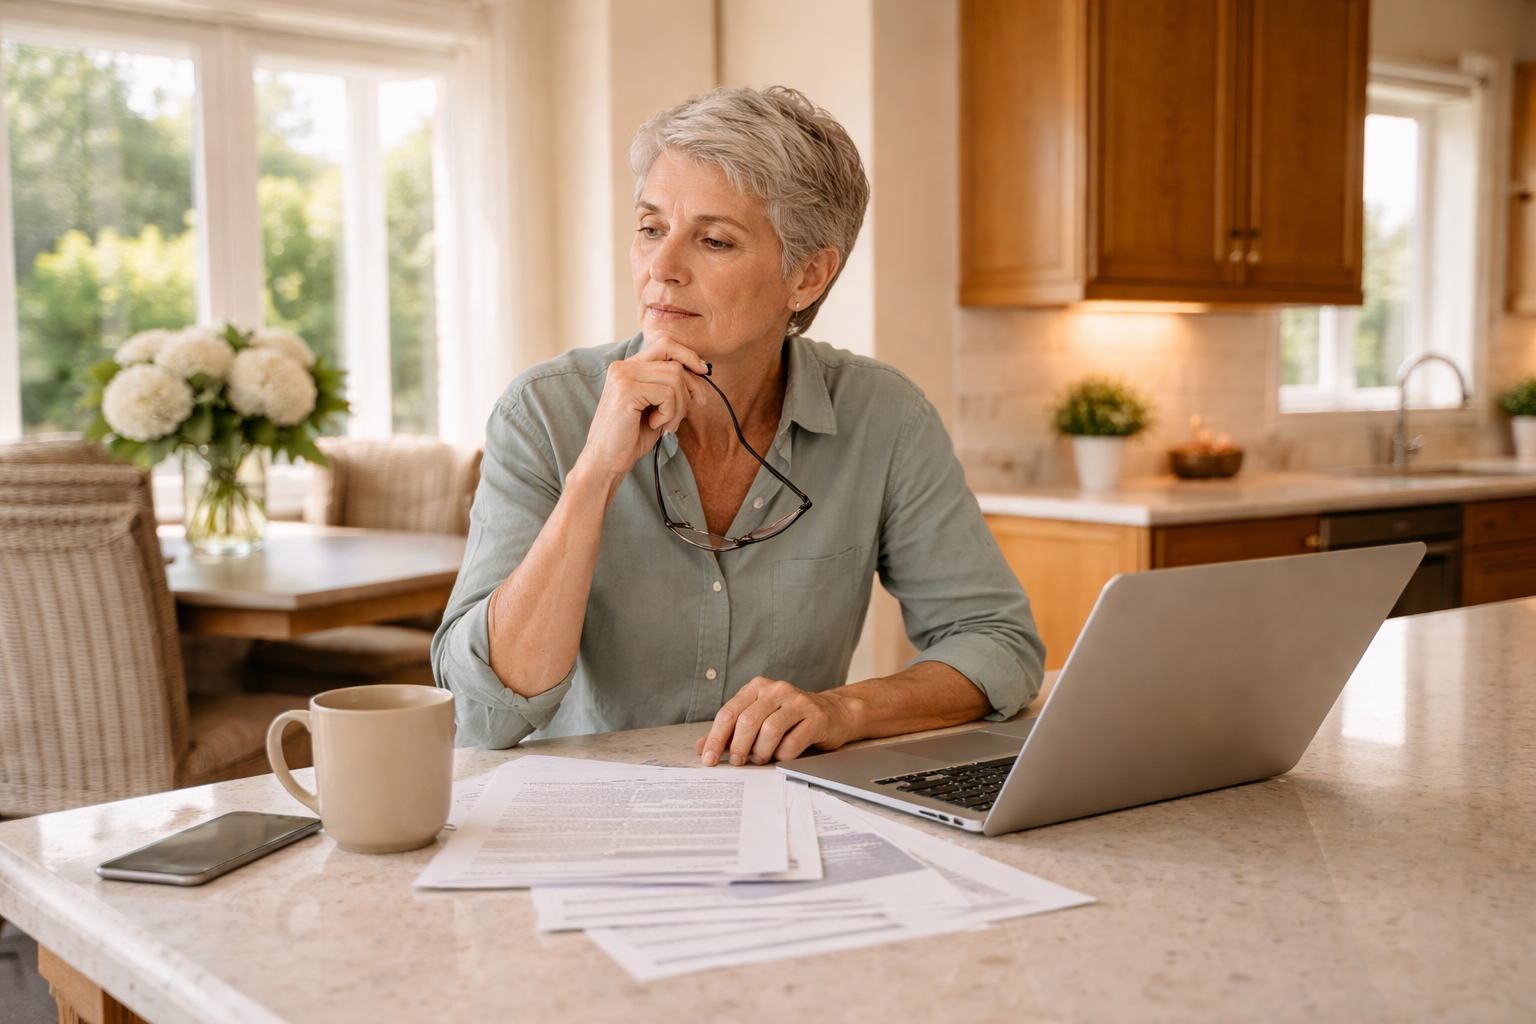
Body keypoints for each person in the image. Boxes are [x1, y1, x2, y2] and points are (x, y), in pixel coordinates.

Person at [433, 85, 1044, 767]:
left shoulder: (886, 417)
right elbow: (483, 714)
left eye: (714, 240)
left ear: (807, 276)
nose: (661, 270)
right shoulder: (543, 412)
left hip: (788, 820)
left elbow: (998, 643)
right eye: (649, 228)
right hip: (575, 828)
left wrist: (844, 710)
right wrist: (595, 476)